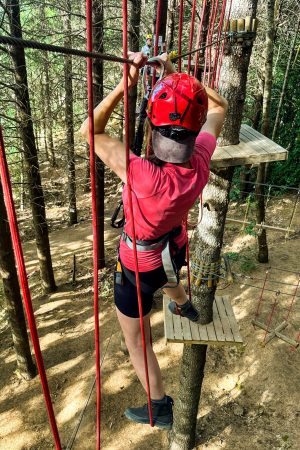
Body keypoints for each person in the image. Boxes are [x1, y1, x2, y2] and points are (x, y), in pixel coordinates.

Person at [80, 52, 228, 430]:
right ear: (194, 132)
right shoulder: (200, 161)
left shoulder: (143, 174)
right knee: (168, 277)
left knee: (138, 341)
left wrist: (125, 84)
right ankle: (185, 307)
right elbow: (219, 106)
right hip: (172, 248)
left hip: (137, 265)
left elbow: (90, 131)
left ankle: (159, 405)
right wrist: (175, 80)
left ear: (155, 129)